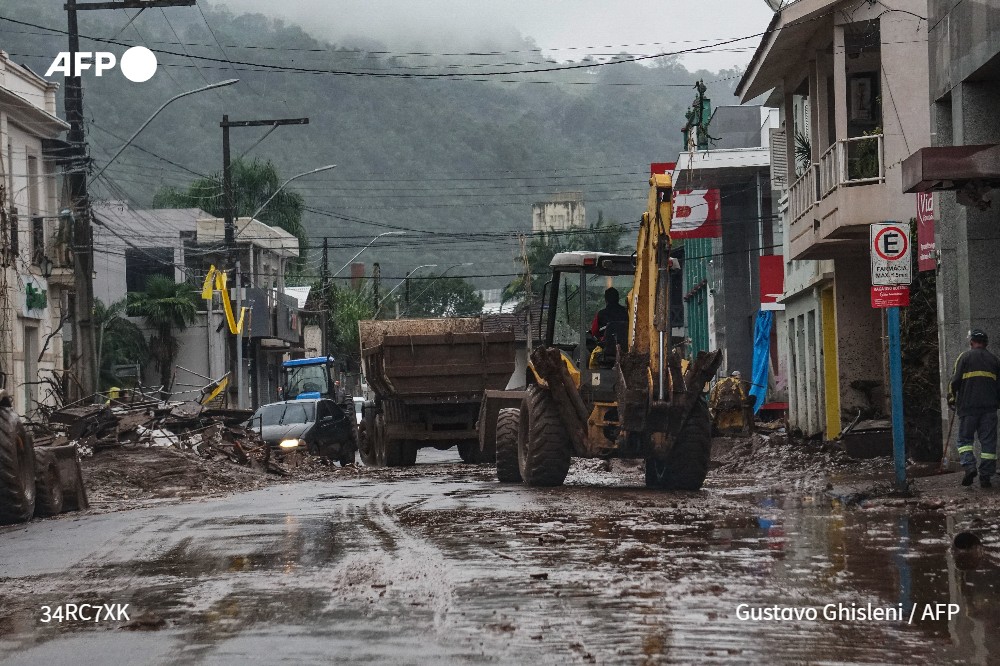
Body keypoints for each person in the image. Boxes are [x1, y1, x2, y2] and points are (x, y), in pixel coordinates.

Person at [948, 329, 1000, 488]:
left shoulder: (964, 357)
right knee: (988, 444)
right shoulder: (994, 360)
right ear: (986, 343)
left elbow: (954, 381)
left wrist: (951, 399)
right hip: (989, 409)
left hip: (968, 408)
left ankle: (970, 466)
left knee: (964, 440)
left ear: (971, 342)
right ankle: (986, 476)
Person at [711, 370, 748, 435]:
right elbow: (743, 395)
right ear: (738, 376)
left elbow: (713, 393)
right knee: (737, 419)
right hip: (734, 405)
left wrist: (713, 405)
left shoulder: (720, 382)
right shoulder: (738, 382)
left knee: (723, 421)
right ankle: (735, 432)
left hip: (722, 405)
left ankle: (723, 432)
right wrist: (743, 402)